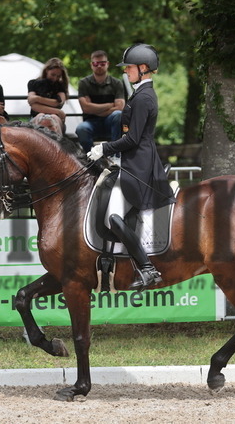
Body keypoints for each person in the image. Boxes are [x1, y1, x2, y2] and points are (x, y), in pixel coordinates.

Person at [87, 43, 175, 291]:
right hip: (132, 160)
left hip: (139, 165)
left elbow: (133, 138)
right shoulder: (140, 94)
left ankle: (147, 269)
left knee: (114, 218)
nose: (125, 72)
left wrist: (105, 148)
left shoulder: (144, 98)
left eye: (129, 68)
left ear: (143, 68)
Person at [75, 50, 125, 152]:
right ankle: (91, 158)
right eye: (96, 63)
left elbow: (120, 107)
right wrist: (110, 105)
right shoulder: (84, 83)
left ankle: (115, 154)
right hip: (91, 123)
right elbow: (86, 108)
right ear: (91, 65)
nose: (99, 66)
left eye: (102, 63)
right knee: (81, 129)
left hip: (110, 122)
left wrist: (94, 108)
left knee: (118, 115)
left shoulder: (116, 83)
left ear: (107, 64)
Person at [27, 57, 69, 123]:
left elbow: (58, 103)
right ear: (46, 71)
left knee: (53, 118)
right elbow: (33, 103)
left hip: (55, 117)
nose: (55, 78)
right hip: (37, 116)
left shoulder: (60, 85)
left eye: (58, 76)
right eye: (53, 75)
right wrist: (57, 111)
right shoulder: (34, 83)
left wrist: (37, 99)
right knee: (41, 117)